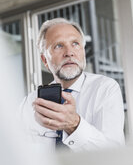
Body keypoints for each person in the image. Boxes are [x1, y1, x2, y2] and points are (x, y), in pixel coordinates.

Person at [20, 18, 125, 152]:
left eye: (75, 44)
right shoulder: (29, 104)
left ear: (83, 51)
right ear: (45, 60)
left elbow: (114, 154)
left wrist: (74, 124)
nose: (69, 53)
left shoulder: (105, 89)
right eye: (58, 45)